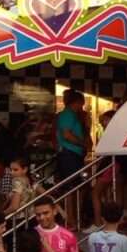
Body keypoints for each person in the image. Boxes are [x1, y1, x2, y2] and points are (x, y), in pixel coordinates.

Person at [55, 90, 87, 228]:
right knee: (71, 188)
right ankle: (71, 220)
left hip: (74, 154)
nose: (82, 107)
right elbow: (67, 135)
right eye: (81, 104)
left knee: (77, 187)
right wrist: (82, 143)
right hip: (69, 154)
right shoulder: (67, 115)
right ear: (77, 102)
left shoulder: (73, 115)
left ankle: (74, 218)